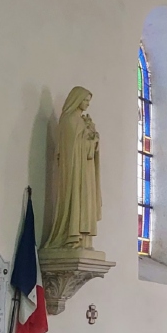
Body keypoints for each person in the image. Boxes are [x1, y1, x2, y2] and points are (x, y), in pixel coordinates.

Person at [44, 87, 101, 250]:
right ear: (77, 100)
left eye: (89, 101)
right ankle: (71, 236)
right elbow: (73, 149)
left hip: (85, 171)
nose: (87, 104)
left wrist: (93, 135)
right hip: (75, 171)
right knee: (75, 199)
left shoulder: (81, 122)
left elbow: (87, 149)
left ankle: (83, 239)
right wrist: (91, 139)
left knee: (85, 201)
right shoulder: (69, 120)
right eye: (85, 100)